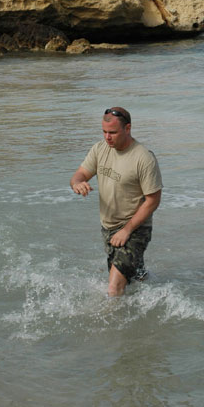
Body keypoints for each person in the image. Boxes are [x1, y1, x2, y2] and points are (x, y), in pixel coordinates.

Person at [70, 107, 163, 297]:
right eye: (104, 132)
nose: (107, 137)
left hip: (135, 229)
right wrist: (78, 182)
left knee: (114, 287)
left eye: (112, 132)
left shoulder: (143, 158)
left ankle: (111, 324)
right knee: (135, 278)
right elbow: (80, 173)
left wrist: (127, 230)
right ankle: (150, 306)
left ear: (127, 128)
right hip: (109, 228)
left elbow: (153, 201)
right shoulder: (100, 149)